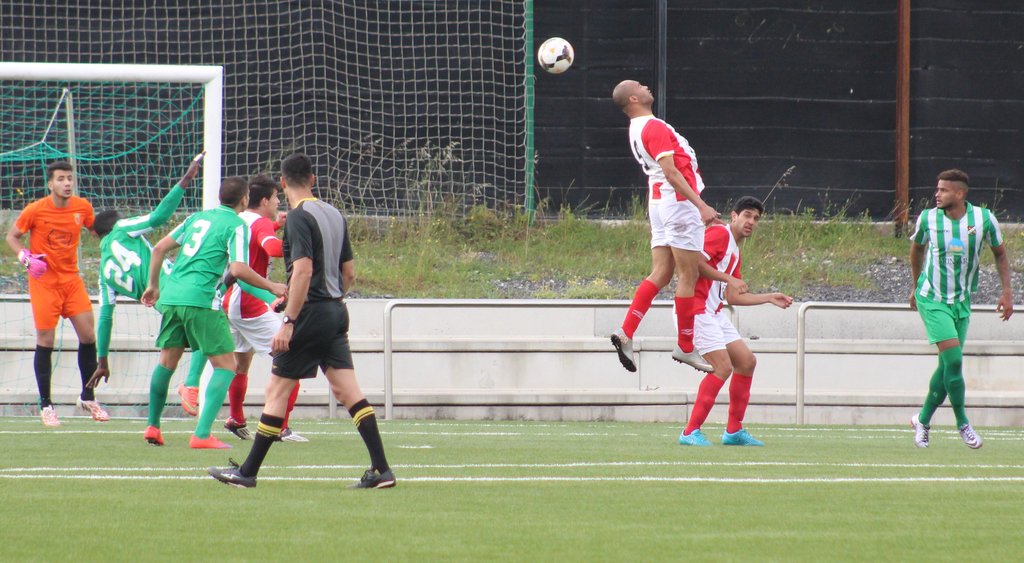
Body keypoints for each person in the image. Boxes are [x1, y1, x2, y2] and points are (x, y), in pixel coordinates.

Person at [209, 153, 395, 489]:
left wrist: (290, 319)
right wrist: (329, 299)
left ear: (283, 182)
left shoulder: (297, 217)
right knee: (349, 392)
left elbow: (304, 270)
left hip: (308, 315)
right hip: (335, 311)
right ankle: (381, 470)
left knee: (277, 389)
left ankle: (247, 473)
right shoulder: (335, 214)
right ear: (312, 179)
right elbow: (348, 273)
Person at [140, 176, 286, 449]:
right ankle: (202, 434)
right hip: (201, 300)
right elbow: (239, 269)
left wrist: (153, 286)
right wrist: (272, 287)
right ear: (244, 199)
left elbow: (158, 248)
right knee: (227, 366)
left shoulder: (197, 217)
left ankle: (153, 426)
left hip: (172, 297)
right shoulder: (237, 225)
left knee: (166, 363)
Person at [608, 80, 739, 373]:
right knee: (688, 274)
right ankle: (685, 346)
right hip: (678, 204)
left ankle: (626, 332)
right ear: (633, 98)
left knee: (662, 272)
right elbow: (671, 172)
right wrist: (700, 205)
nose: (645, 86)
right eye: (639, 86)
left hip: (659, 203)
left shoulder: (636, 128)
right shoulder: (652, 126)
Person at [87, 153, 209, 416]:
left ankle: (153, 425)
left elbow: (105, 318)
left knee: (167, 361)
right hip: (178, 288)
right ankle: (191, 385)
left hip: (165, 307)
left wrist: (102, 360)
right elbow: (158, 217)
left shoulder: (104, 274)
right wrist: (185, 180)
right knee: (211, 329)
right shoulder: (122, 228)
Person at [908, 169, 1013, 449]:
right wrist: (916, 286)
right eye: (937, 189)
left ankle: (922, 420)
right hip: (932, 298)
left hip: (962, 302)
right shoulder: (928, 218)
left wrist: (1007, 291)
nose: (937, 194)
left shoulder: (983, 219)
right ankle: (963, 423)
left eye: (943, 190)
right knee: (954, 361)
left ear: (959, 193)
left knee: (946, 365)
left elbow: (1000, 254)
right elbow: (917, 249)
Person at [676, 197, 793, 446]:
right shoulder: (720, 233)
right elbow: (694, 264)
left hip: (714, 313)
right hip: (695, 310)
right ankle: (689, 432)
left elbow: (732, 296)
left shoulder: (735, 249)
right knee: (723, 367)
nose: (751, 222)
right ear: (733, 216)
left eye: (756, 218)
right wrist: (728, 278)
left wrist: (768, 297)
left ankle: (733, 431)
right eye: (747, 215)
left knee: (747, 362)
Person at [5, 161, 106, 426]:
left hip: (71, 280)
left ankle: (88, 397)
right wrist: (25, 257)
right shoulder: (35, 210)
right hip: (44, 282)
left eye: (70, 178)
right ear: (50, 184)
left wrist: (116, 235)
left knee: (88, 335)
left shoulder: (82, 207)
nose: (67, 183)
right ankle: (46, 405)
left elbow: (96, 231)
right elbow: (12, 237)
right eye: (61, 179)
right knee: (46, 339)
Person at [221, 174, 306, 443]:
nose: (279, 202)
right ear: (265, 200)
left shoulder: (239, 219)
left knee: (241, 363)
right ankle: (280, 426)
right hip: (249, 304)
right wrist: (300, 243)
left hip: (229, 301)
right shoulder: (260, 223)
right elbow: (271, 248)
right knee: (293, 359)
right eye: (276, 198)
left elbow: (253, 242)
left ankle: (236, 418)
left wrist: (276, 225)